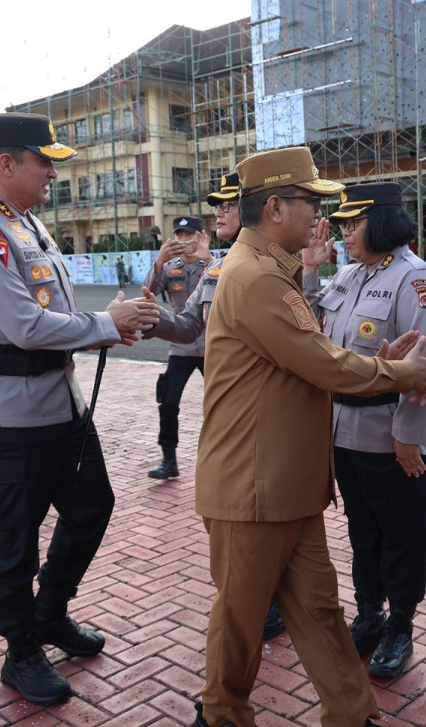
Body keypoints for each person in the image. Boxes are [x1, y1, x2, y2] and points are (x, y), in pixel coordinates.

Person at [191, 146, 426, 727]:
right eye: (311, 202)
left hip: (286, 485)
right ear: (276, 208)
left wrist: (380, 365)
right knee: (240, 618)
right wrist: (402, 372)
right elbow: (325, 364)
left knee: (319, 611)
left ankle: (352, 714)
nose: (321, 217)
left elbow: (320, 354)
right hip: (253, 487)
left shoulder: (270, 270)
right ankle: (220, 715)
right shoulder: (256, 277)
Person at [0, 112, 160, 705]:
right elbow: (24, 326)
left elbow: (54, 316)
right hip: (6, 419)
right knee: (13, 540)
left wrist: (108, 327)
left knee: (92, 506)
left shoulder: (28, 224)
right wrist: (104, 325)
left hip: (61, 405)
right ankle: (20, 652)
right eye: (44, 161)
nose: (52, 173)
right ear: (6, 163)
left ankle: (49, 612)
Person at [143, 173, 288, 641]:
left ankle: (272, 599)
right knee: (236, 509)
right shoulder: (214, 270)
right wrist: (151, 318)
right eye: (217, 206)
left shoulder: (265, 263)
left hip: (260, 409)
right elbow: (188, 325)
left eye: (228, 204)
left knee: (262, 508)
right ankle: (259, 596)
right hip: (229, 409)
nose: (220, 212)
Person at [312, 182, 426, 678]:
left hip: (392, 435)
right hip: (345, 432)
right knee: (362, 529)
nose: (345, 233)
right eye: (343, 224)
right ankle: (369, 614)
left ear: (384, 222)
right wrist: (309, 269)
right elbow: (307, 327)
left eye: (354, 223)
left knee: (403, 534)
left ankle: (400, 625)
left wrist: (408, 434)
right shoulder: (347, 275)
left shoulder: (415, 280)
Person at [143, 215, 211, 479]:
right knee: (168, 402)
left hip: (212, 347)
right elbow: (147, 293)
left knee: (223, 404)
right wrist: (159, 262)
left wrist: (208, 259)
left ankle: (226, 460)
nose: (184, 240)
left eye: (188, 235)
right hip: (181, 347)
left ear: (200, 236)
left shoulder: (213, 264)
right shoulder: (169, 266)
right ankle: (169, 460)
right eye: (179, 235)